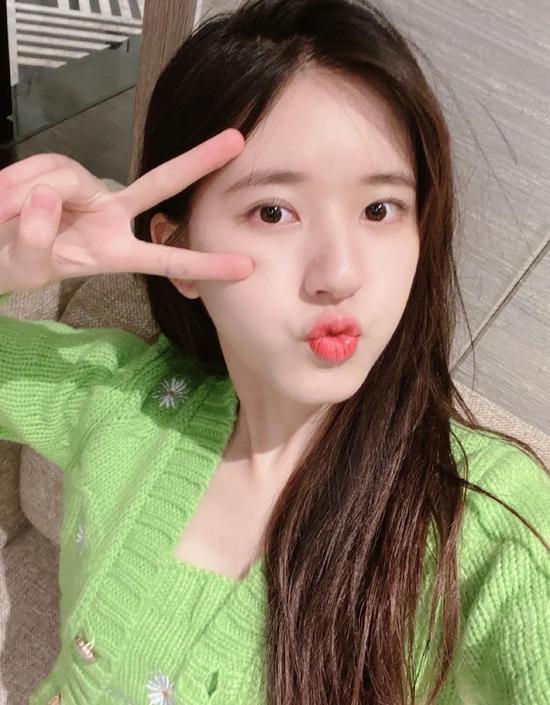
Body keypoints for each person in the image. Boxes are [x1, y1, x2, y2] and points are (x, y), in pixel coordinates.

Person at [1, 0, 549, 704]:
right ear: (179, 250)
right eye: (273, 212)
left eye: (380, 209)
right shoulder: (123, 402)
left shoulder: (479, 522)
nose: (340, 273)